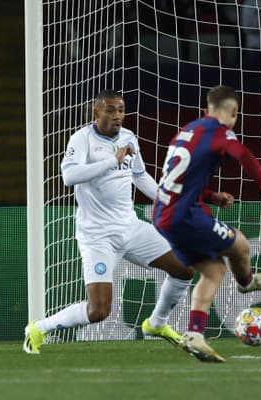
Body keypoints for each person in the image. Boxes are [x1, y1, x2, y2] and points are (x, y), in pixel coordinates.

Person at [23, 90, 195, 354]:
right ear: (97, 113)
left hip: (132, 228)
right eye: (111, 110)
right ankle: (39, 328)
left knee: (184, 269)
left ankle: (157, 323)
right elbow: (69, 177)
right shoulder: (82, 139)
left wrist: (170, 200)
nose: (117, 116)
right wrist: (110, 161)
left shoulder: (128, 138)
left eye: (121, 110)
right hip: (98, 236)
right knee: (99, 310)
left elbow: (140, 176)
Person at [153, 85, 261, 362]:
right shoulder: (220, 131)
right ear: (234, 113)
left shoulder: (185, 132)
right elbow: (244, 156)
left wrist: (212, 196)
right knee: (239, 243)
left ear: (205, 111)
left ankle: (194, 334)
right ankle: (247, 282)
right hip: (185, 215)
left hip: (162, 214)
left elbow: (178, 182)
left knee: (213, 270)